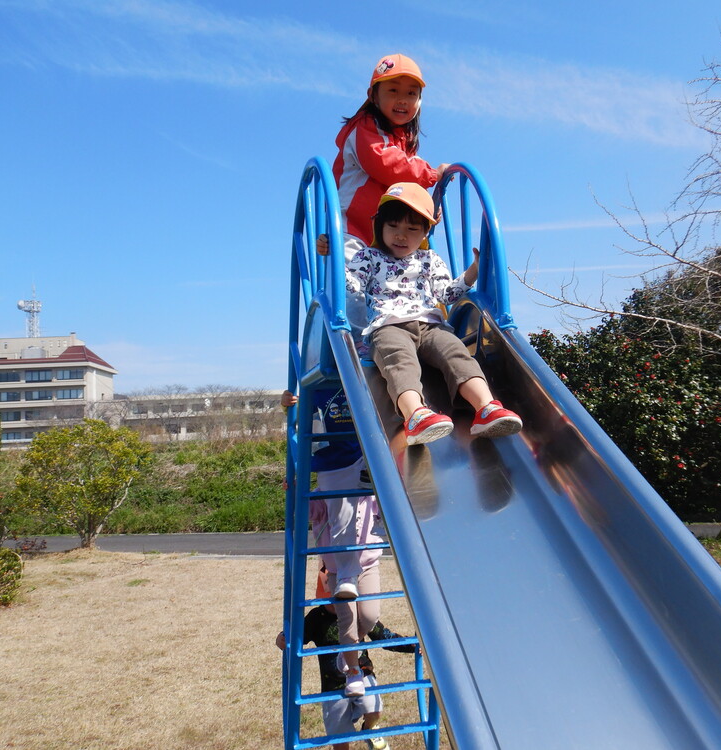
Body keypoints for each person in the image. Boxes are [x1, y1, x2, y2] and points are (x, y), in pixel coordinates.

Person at [340, 182, 523, 446]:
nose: (401, 235)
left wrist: (473, 271)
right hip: (389, 326)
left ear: (425, 232)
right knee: (399, 360)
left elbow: (445, 295)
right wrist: (333, 258)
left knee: (456, 352)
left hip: (431, 325)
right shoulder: (368, 256)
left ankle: (486, 407)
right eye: (393, 226)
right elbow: (352, 285)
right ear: (379, 225)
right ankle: (415, 415)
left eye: (412, 229)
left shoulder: (429, 260)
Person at [330, 53, 450, 344]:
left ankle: (414, 332)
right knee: (352, 287)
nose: (402, 100)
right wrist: (432, 174)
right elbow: (387, 165)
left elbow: (406, 186)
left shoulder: (403, 139)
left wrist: (426, 207)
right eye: (393, 90)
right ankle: (357, 346)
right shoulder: (364, 129)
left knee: (404, 282)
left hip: (389, 232)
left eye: (411, 93)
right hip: (355, 228)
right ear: (373, 95)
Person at [282, 387, 385, 697]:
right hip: (338, 568)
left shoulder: (367, 488)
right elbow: (307, 510)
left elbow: (384, 510)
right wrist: (295, 489)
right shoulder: (326, 492)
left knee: (369, 618)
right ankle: (353, 671)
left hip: (368, 562)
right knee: (347, 620)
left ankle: (347, 653)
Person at [276, 570, 415, 750]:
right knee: (339, 739)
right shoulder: (316, 618)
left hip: (362, 674)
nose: (340, 605)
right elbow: (296, 637)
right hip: (332, 685)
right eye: (334, 600)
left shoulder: (358, 611)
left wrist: (411, 645)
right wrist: (283, 638)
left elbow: (383, 636)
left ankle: (369, 727)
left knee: (374, 708)